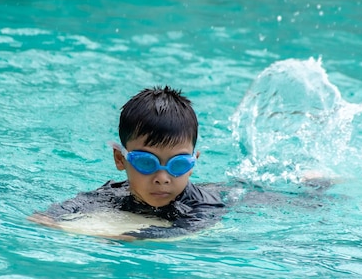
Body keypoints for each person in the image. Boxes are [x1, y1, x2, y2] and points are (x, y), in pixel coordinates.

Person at [29, 86, 226, 240]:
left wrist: (131, 235)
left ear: (192, 165)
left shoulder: (204, 205)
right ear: (120, 159)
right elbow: (70, 208)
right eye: (146, 163)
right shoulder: (114, 193)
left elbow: (189, 230)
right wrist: (50, 217)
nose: (162, 178)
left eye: (178, 164)